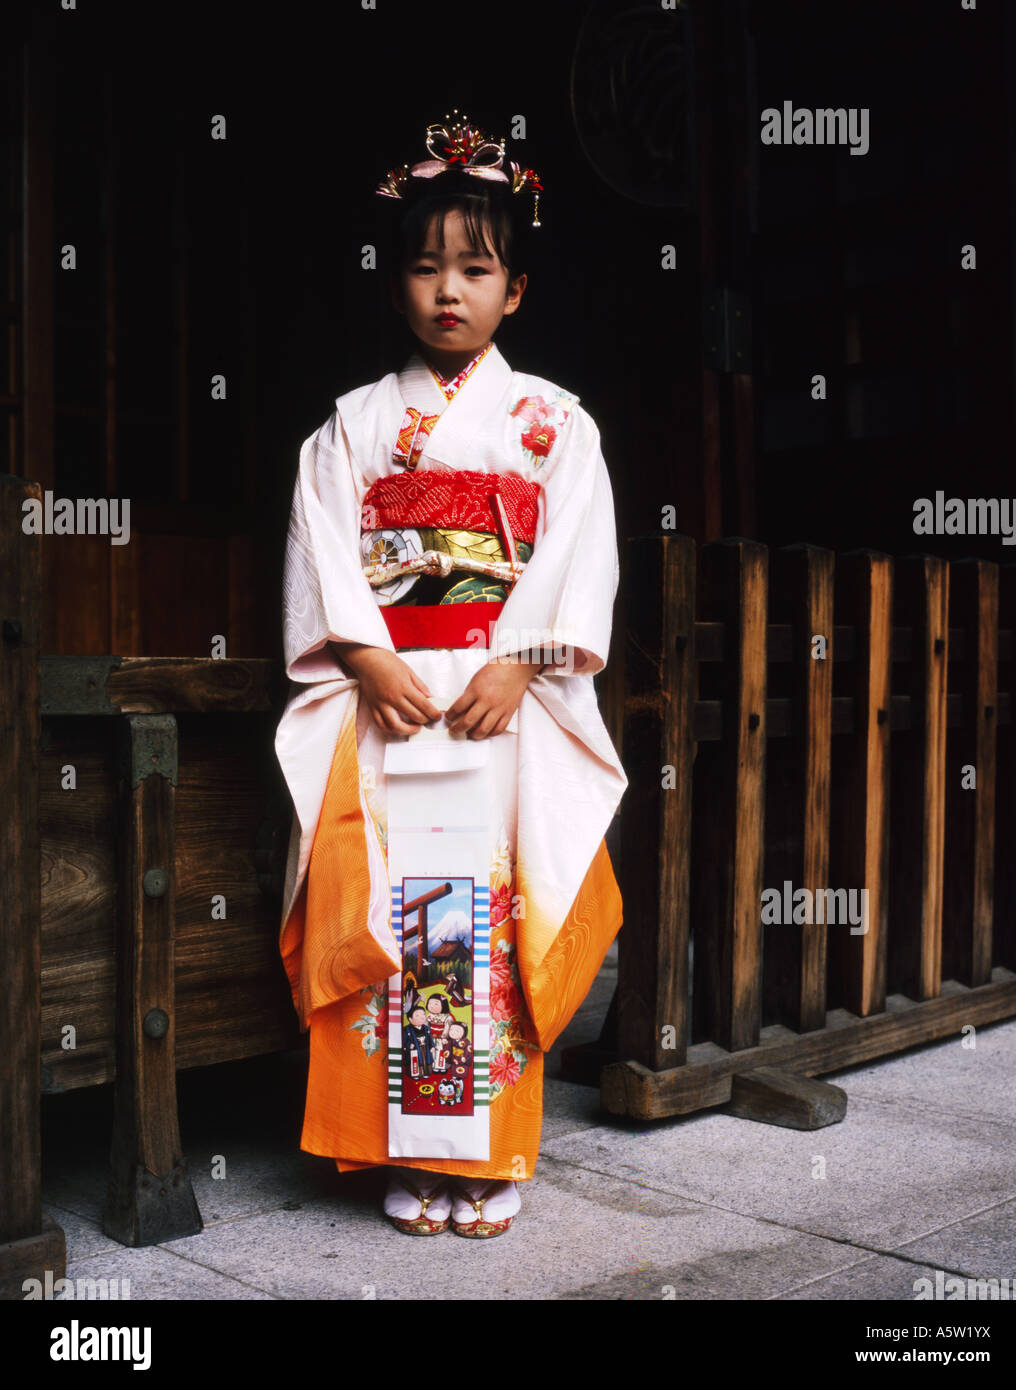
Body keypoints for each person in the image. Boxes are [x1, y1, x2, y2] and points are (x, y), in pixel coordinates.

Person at [275, 112, 628, 1240]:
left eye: (474, 268)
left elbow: (576, 554)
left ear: (512, 291)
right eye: (424, 267)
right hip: (387, 702)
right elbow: (323, 545)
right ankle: (404, 1146)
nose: (446, 291)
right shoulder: (350, 428)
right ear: (395, 287)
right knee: (397, 912)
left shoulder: (551, 426)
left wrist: (522, 665)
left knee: (484, 915)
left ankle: (490, 1156)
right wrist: (368, 655)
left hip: (495, 705)